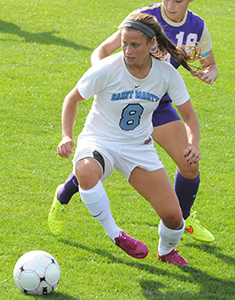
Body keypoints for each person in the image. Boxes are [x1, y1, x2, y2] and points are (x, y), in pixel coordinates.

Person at [48, 0, 218, 243]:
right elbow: (103, 51)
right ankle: (64, 195)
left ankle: (183, 218)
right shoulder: (142, 17)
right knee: (98, 158)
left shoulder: (196, 28)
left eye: (178, 0)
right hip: (123, 102)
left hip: (158, 105)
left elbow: (207, 63)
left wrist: (210, 72)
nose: (170, 4)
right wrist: (110, 78)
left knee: (189, 165)